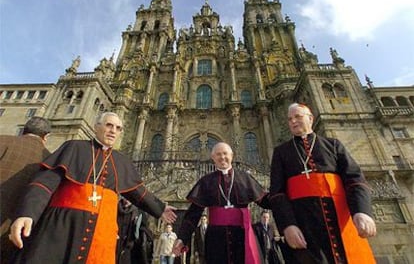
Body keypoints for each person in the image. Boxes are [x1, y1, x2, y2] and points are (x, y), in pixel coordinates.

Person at [8, 112, 177, 264]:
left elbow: (138, 192)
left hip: (101, 233)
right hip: (63, 226)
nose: (113, 131)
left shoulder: (122, 162)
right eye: (109, 125)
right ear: (97, 127)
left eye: (118, 128)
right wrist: (27, 213)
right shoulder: (73, 147)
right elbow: (44, 184)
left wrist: (160, 208)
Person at [268, 103, 377, 263]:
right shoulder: (281, 152)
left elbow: (354, 180)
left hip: (341, 218)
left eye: (298, 116)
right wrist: (288, 225)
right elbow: (277, 193)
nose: (293, 121)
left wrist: (362, 211)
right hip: (304, 225)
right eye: (290, 119)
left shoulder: (333, 145)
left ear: (310, 118)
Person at [172, 142, 269, 264]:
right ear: (213, 158)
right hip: (216, 240)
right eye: (218, 154)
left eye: (225, 153)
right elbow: (193, 214)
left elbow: (265, 201)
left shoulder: (245, 178)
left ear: (232, 155)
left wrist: (283, 196)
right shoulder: (206, 181)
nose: (222, 157)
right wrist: (182, 238)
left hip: (243, 236)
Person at [0, 116, 51, 264]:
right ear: (46, 136)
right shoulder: (50, 159)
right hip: (12, 235)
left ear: (23, 129)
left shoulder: (3, 141)